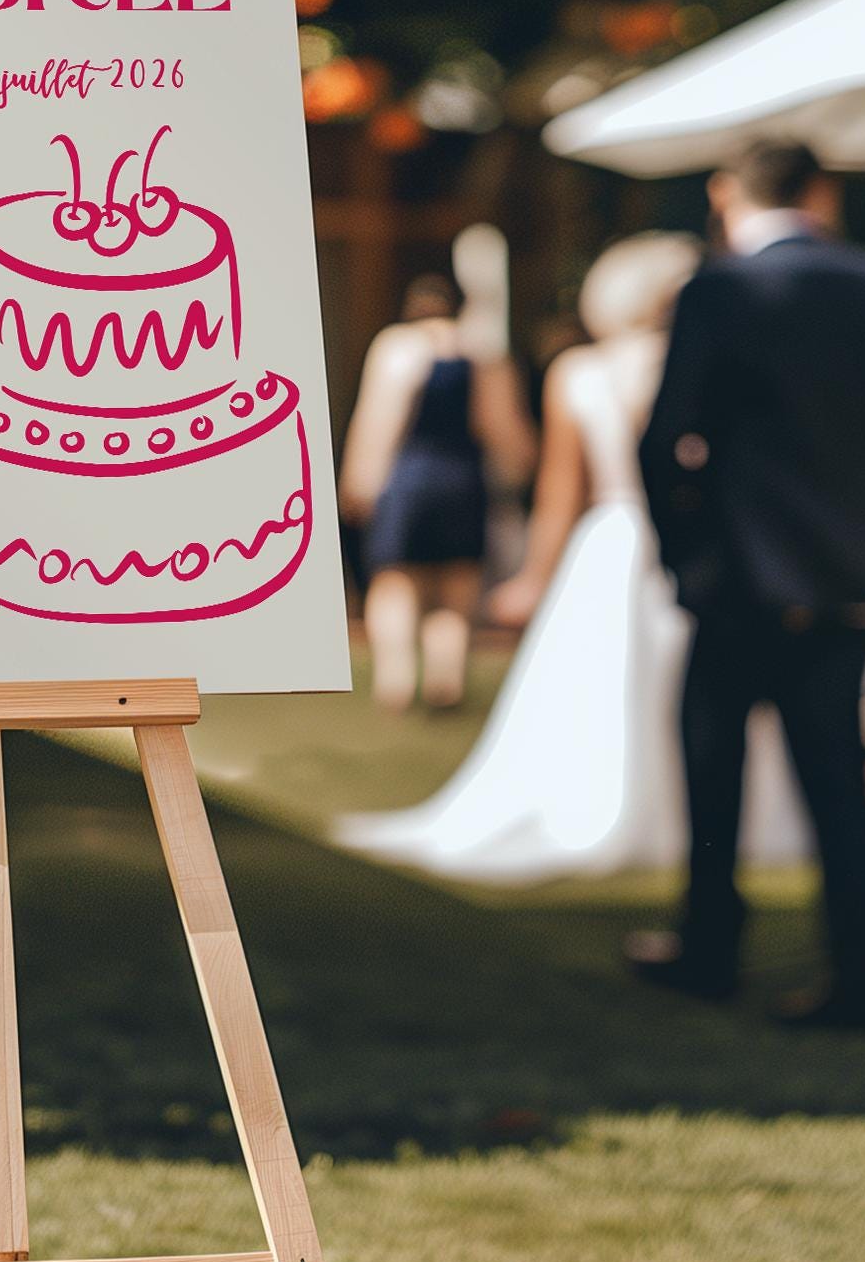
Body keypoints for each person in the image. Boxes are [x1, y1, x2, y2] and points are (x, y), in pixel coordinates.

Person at [333, 234, 809, 877]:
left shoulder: (582, 373)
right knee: (701, 690)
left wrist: (535, 573)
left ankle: (409, 682)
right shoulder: (720, 365)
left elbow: (562, 493)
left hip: (614, 542)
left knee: (597, 686)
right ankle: (705, 823)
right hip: (702, 548)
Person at [631, 141, 865, 1030]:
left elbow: (667, 438)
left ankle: (709, 950)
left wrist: (685, 554)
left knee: (713, 763)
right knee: (837, 777)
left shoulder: (722, 288)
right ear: (822, 193)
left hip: (744, 574)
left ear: (723, 194)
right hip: (850, 583)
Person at [338, 272, 534, 710]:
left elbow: (379, 420)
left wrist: (357, 481)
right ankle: (446, 679)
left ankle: (398, 679)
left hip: (407, 479)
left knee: (395, 582)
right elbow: (503, 430)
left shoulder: (398, 345)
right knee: (457, 585)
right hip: (463, 479)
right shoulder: (482, 352)